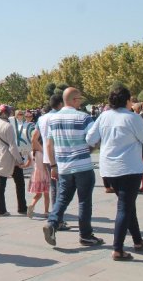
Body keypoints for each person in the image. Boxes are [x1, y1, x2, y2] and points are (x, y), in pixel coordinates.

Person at [86, 85, 143, 260]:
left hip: (109, 169)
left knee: (127, 204)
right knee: (124, 206)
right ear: (126, 100)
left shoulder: (103, 116)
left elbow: (90, 138)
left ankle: (138, 240)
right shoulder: (132, 118)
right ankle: (117, 249)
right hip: (129, 169)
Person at [42, 88, 103, 248]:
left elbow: (49, 143)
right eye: (80, 99)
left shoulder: (53, 120)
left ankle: (52, 223)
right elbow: (94, 138)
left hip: (63, 166)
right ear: (75, 100)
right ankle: (85, 235)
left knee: (62, 198)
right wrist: (91, 148)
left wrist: (54, 165)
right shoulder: (83, 117)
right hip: (82, 165)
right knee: (84, 201)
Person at [0, 105, 27, 217]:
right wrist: (20, 160)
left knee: (0, 183)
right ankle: (22, 207)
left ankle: (0, 210)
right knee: (20, 183)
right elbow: (12, 146)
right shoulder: (8, 126)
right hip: (9, 157)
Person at [33, 94, 65, 218]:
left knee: (54, 187)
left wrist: (41, 150)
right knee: (61, 187)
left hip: (47, 157)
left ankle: (55, 213)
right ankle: (58, 216)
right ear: (60, 104)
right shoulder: (59, 117)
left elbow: (34, 137)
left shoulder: (42, 118)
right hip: (59, 156)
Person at [27, 122, 50, 219]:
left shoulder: (31, 153)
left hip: (35, 175)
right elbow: (45, 165)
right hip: (44, 175)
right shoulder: (43, 153)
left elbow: (27, 164)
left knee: (38, 194)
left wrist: (21, 166)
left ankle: (32, 205)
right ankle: (46, 211)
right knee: (46, 195)